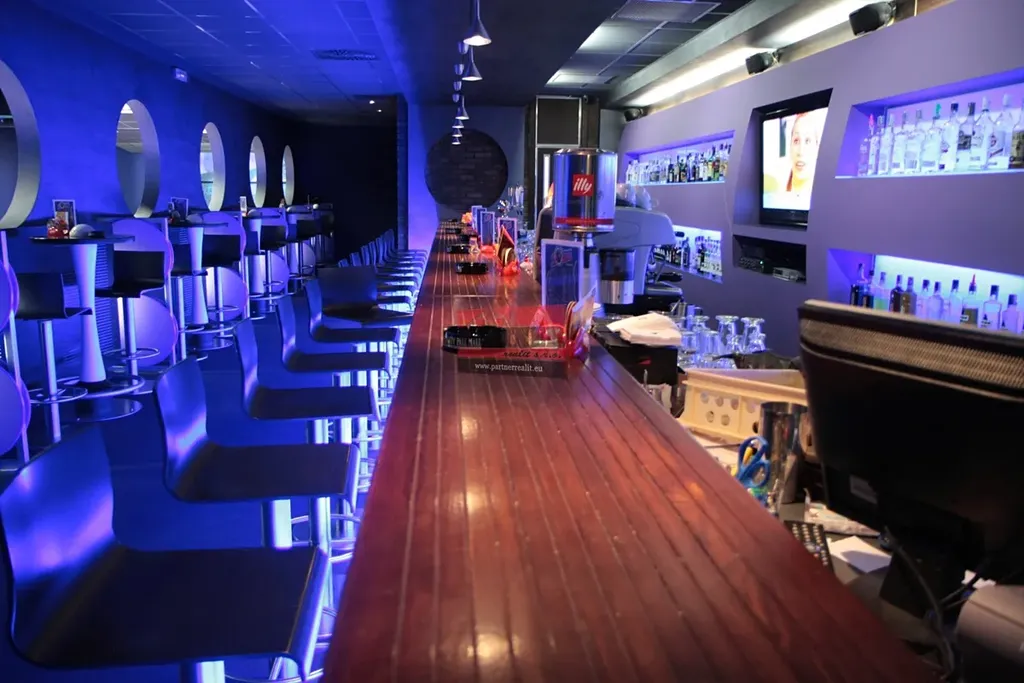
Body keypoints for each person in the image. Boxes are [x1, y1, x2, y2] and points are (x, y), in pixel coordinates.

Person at [765, 112, 820, 196]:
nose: (801, 151)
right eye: (796, 141)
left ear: (817, 148)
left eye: (807, 141)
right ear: (790, 146)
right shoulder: (774, 188)